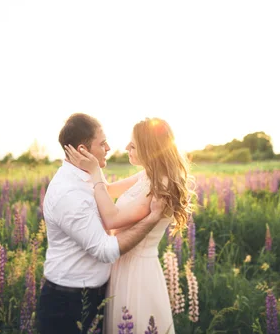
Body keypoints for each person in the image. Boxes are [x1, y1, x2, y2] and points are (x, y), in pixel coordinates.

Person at [36, 113, 165, 334]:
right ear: (82, 150)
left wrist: (96, 172)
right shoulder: (69, 192)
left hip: (102, 290)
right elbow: (105, 249)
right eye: (102, 143)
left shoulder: (88, 177)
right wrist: (152, 219)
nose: (110, 148)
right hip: (70, 300)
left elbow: (106, 190)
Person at [65, 117, 194, 334]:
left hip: (138, 272)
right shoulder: (148, 175)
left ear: (148, 148)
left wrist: (95, 171)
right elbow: (107, 189)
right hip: (123, 264)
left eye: (133, 145)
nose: (126, 148)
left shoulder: (160, 186)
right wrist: (86, 164)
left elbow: (112, 218)